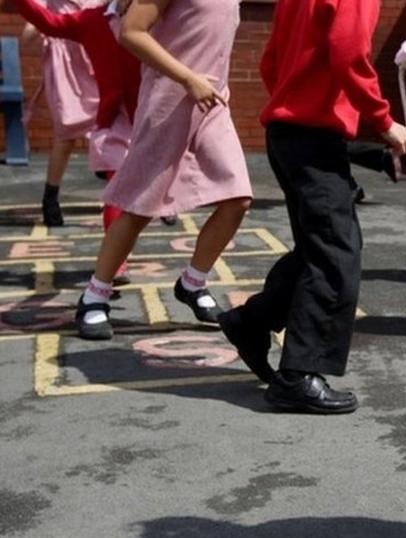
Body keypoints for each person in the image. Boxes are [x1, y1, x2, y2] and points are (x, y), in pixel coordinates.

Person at [217, 0, 406, 414]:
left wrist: (295, 100)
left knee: (316, 249)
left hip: (288, 134)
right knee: (336, 254)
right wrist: (383, 120)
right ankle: (297, 375)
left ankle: (250, 323)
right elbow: (348, 52)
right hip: (314, 139)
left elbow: (271, 62)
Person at [74, 0, 253, 340]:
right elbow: (131, 32)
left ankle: (192, 282)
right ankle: (94, 296)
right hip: (169, 101)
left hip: (214, 102)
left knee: (238, 198)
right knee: (140, 206)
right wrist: (187, 78)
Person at [8, 0, 141, 285]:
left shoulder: (157, 15)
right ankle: (115, 263)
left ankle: (168, 209)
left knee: (163, 185)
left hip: (155, 114)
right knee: (116, 187)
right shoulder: (93, 20)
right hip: (115, 117)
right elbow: (49, 22)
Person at [22, 0, 104, 227]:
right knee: (66, 134)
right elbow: (29, 33)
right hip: (64, 66)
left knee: (110, 123)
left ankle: (143, 193)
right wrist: (39, 27)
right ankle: (50, 197)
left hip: (94, 56)